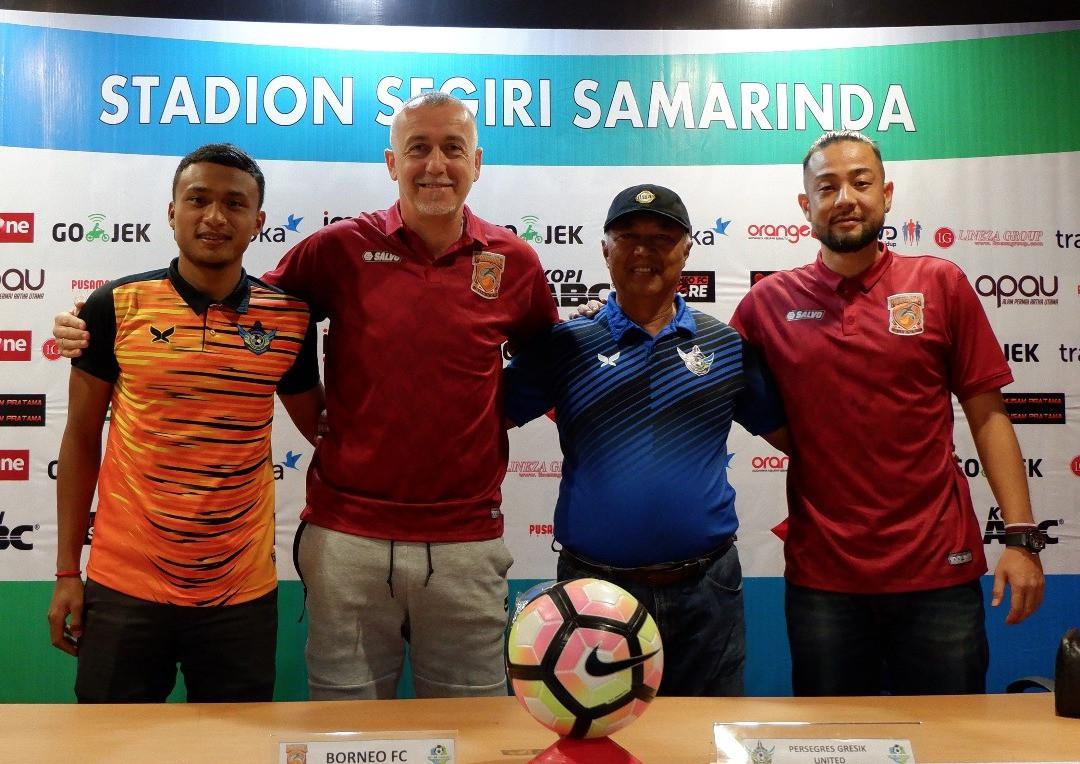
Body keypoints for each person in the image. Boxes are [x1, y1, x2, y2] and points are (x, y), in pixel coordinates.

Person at [54, 93, 558, 700]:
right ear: (390, 161)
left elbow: (547, 356)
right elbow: (249, 309)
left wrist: (491, 414)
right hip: (343, 541)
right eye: (417, 148)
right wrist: (89, 322)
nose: (435, 164)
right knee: (340, 733)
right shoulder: (336, 248)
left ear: (476, 161)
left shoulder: (515, 260)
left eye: (452, 148)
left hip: (463, 542)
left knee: (470, 728)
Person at [729, 130, 1045, 696]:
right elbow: (716, 390)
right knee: (834, 746)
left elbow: (989, 416)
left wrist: (1021, 538)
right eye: (827, 187)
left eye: (860, 182)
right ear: (806, 206)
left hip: (938, 570)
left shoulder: (940, 284)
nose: (845, 197)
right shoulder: (766, 304)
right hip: (824, 577)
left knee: (952, 746)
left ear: (887, 194)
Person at [46, 143, 322, 702]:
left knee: (235, 751)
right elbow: (78, 440)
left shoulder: (291, 319)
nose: (215, 217)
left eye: (234, 203)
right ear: (172, 211)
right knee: (110, 747)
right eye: (198, 200)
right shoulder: (113, 306)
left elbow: (326, 431)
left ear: (258, 221)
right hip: (124, 584)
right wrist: (67, 572)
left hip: (240, 590)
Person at [503, 185, 790, 696]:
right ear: (605, 248)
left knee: (706, 741)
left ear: (687, 249)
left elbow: (798, 439)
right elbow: (481, 419)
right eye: (629, 236)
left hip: (708, 589)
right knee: (599, 747)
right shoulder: (568, 344)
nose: (644, 250)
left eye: (662, 238)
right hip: (592, 592)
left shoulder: (724, 346)